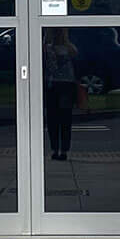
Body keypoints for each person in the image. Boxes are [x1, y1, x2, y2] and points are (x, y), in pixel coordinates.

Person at [44, 28, 79, 161]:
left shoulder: (47, 49)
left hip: (53, 85)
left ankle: (55, 149)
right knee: (65, 119)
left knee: (53, 119)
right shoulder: (70, 49)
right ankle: (63, 149)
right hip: (66, 85)